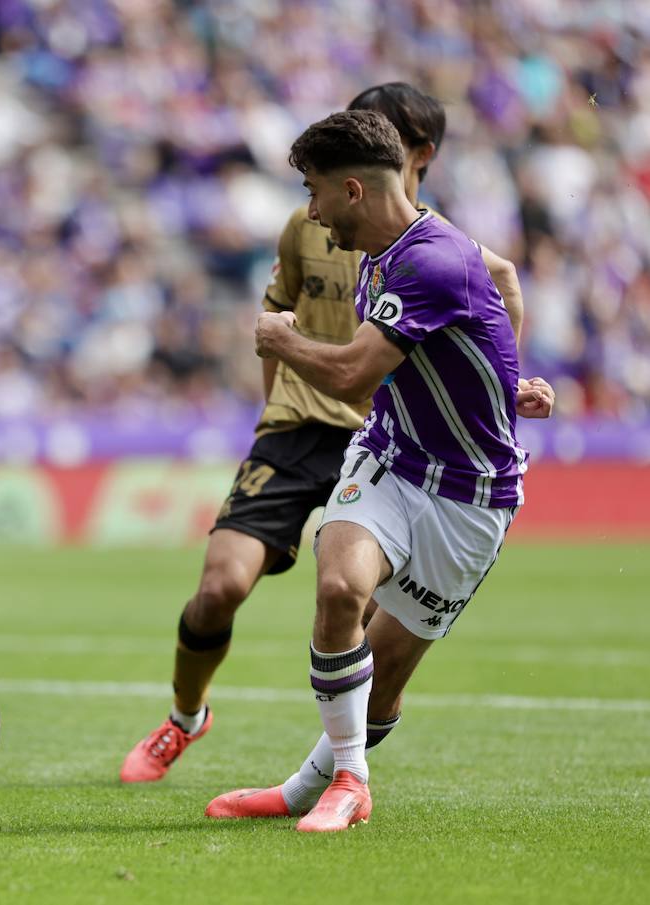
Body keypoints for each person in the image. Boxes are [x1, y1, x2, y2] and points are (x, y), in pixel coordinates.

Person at [120, 83, 534, 786]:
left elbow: (502, 284)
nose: (314, 205)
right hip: (303, 432)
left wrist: (505, 385)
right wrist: (273, 412)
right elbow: (274, 316)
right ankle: (185, 719)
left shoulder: (434, 243)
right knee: (220, 586)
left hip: (393, 438)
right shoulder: (312, 225)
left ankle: (327, 780)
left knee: (369, 632)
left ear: (416, 156)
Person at [205, 109, 551, 831]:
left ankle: (306, 788)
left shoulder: (432, 258)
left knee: (384, 683)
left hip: (470, 497)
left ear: (353, 191)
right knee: (338, 589)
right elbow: (477, 312)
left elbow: (355, 375)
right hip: (391, 458)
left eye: (314, 192)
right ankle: (352, 781)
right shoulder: (382, 251)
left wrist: (280, 339)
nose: (311, 211)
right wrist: (502, 379)